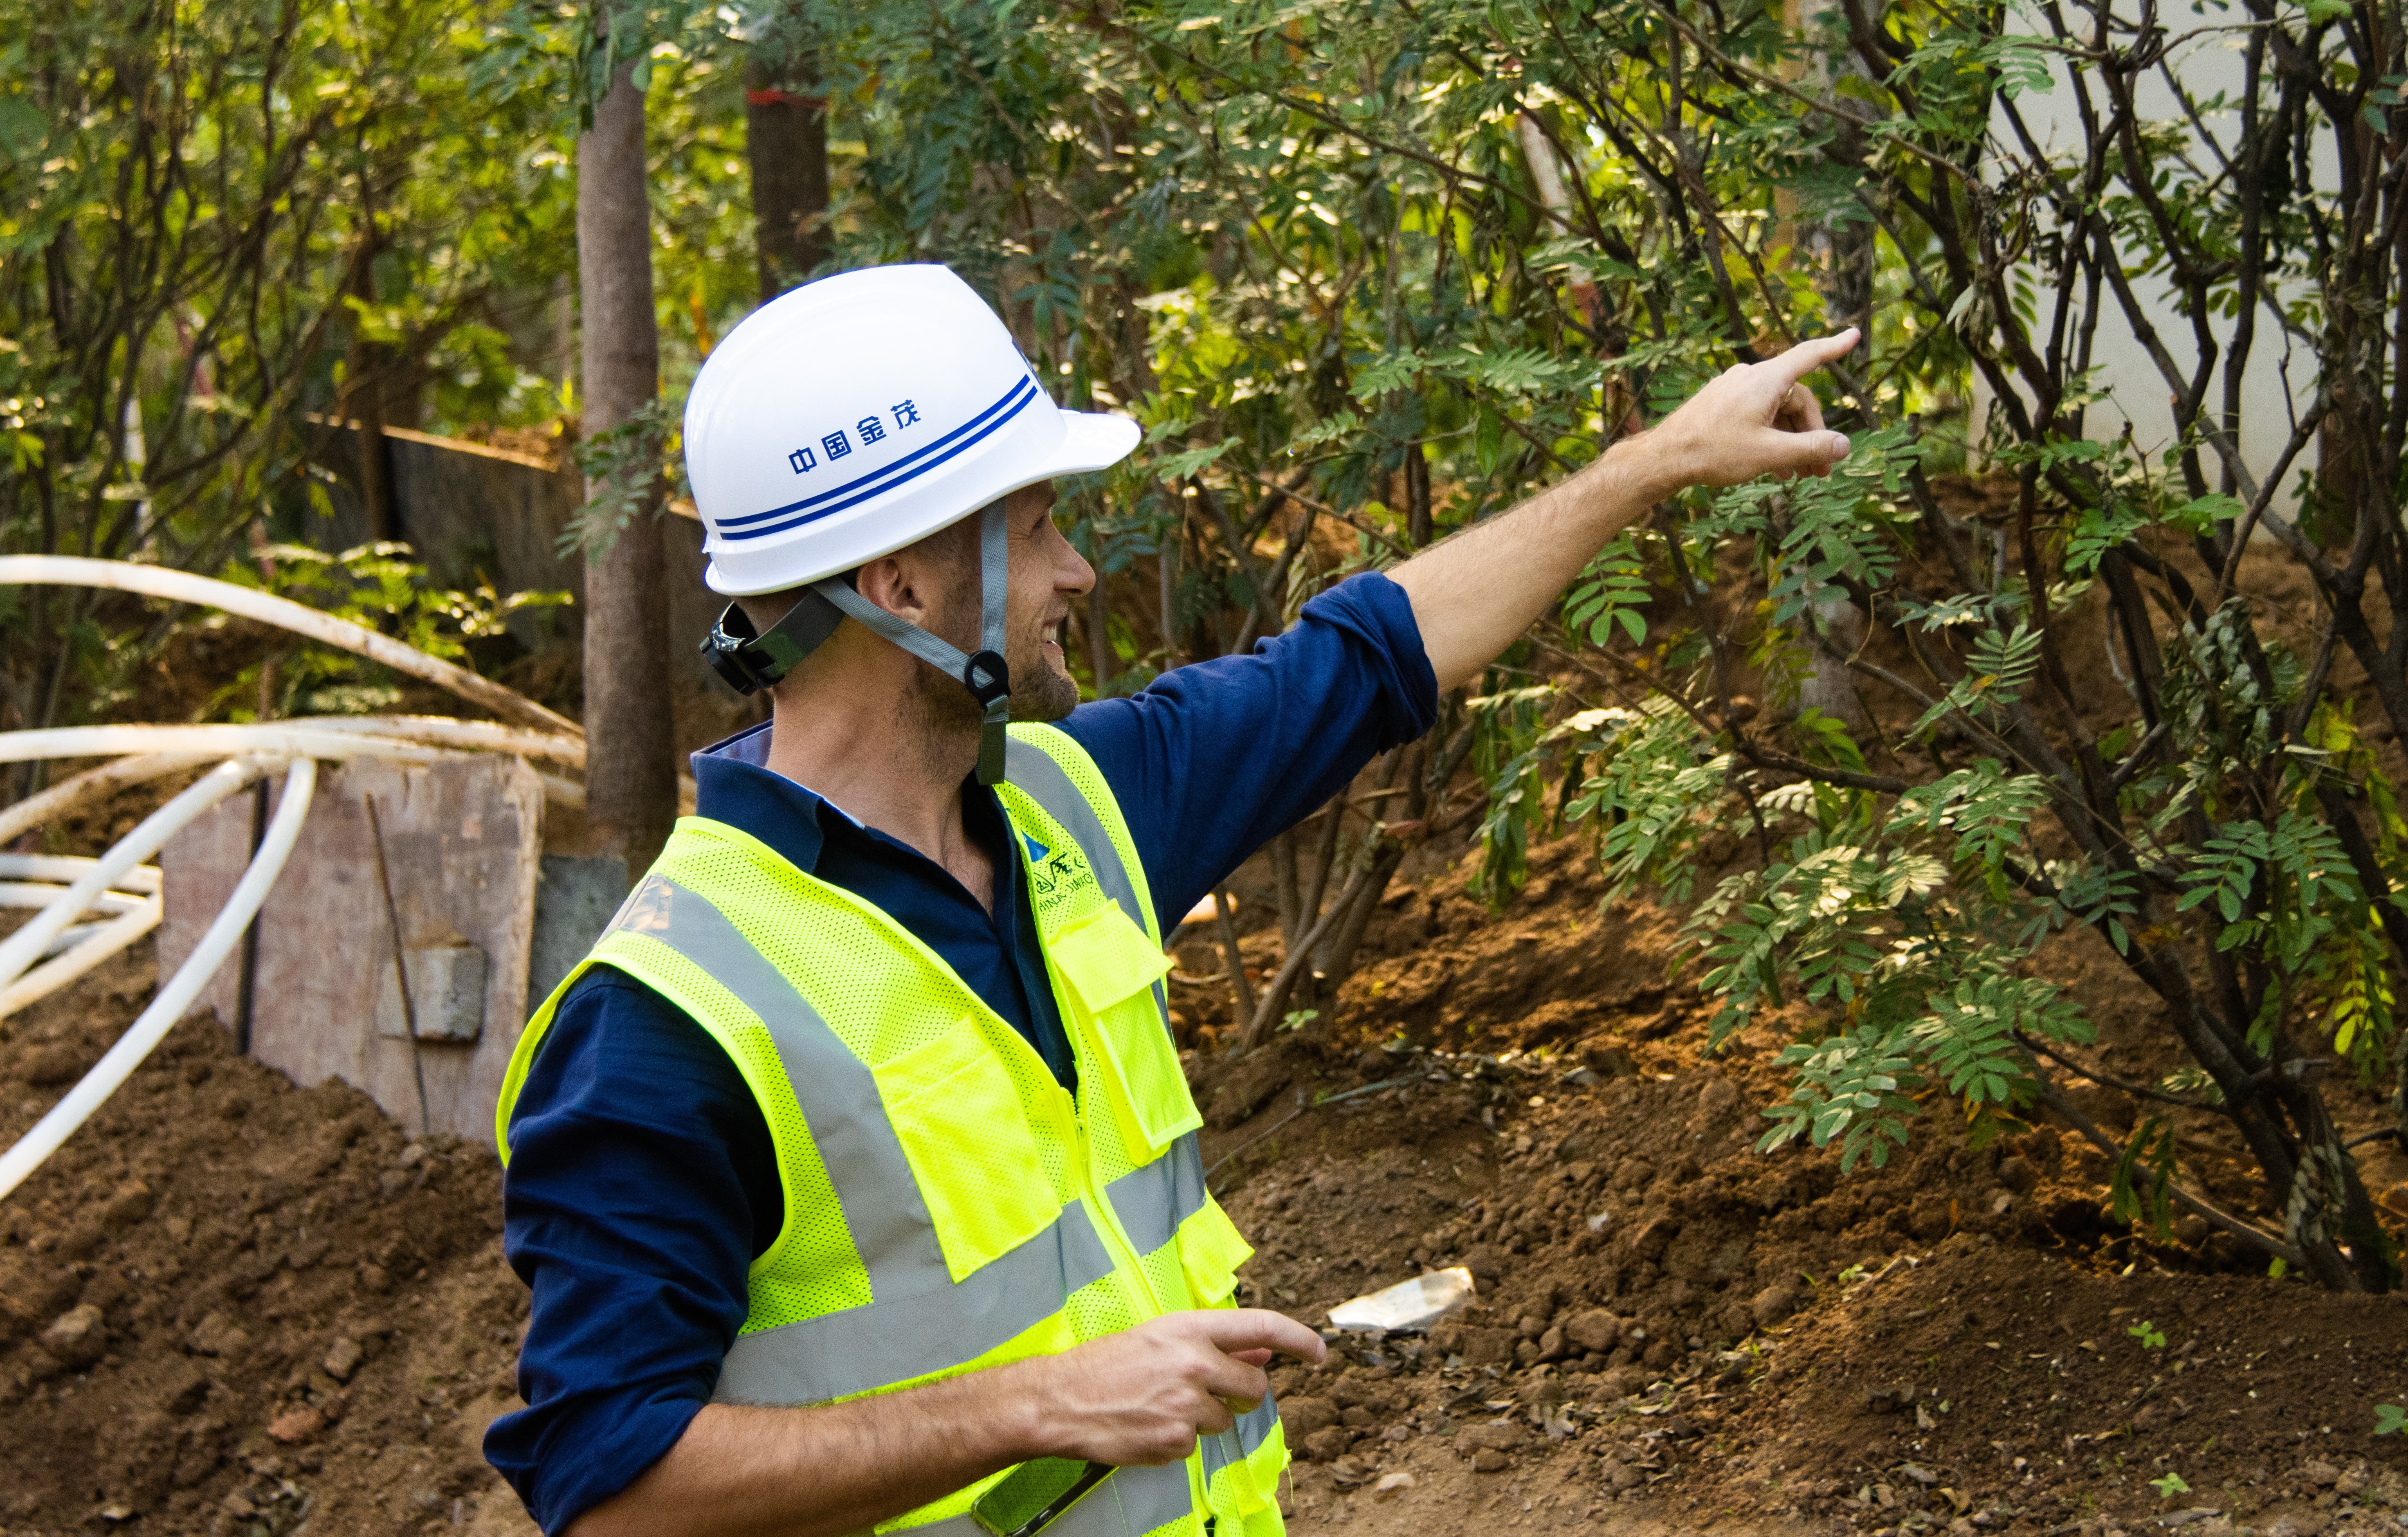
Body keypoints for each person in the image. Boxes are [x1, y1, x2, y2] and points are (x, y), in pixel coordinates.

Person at [485, 263, 1856, 1537]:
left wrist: (1654, 463)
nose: (1080, 568)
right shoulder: (667, 1022)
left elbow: (1367, 657)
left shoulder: (1078, 810)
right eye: (1036, 527)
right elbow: (609, 1490)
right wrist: (1037, 1404)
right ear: (900, 584)